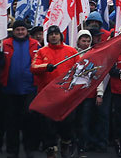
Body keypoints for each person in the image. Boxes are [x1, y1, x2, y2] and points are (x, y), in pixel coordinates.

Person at [0, 20, 40, 158]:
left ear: (26, 31)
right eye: (17, 29)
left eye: (22, 30)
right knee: (11, 122)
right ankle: (12, 151)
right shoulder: (4, 44)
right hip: (10, 91)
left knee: (29, 121)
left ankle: (29, 149)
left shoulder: (35, 45)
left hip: (29, 90)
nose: (20, 32)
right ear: (13, 31)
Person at [31, 25, 78, 158]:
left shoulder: (71, 51)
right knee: (47, 125)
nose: (53, 36)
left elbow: (80, 69)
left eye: (56, 33)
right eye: (51, 34)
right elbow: (33, 67)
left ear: (60, 35)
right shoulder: (41, 52)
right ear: (48, 37)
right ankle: (51, 149)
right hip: (47, 96)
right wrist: (46, 67)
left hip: (65, 96)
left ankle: (65, 144)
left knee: (67, 123)